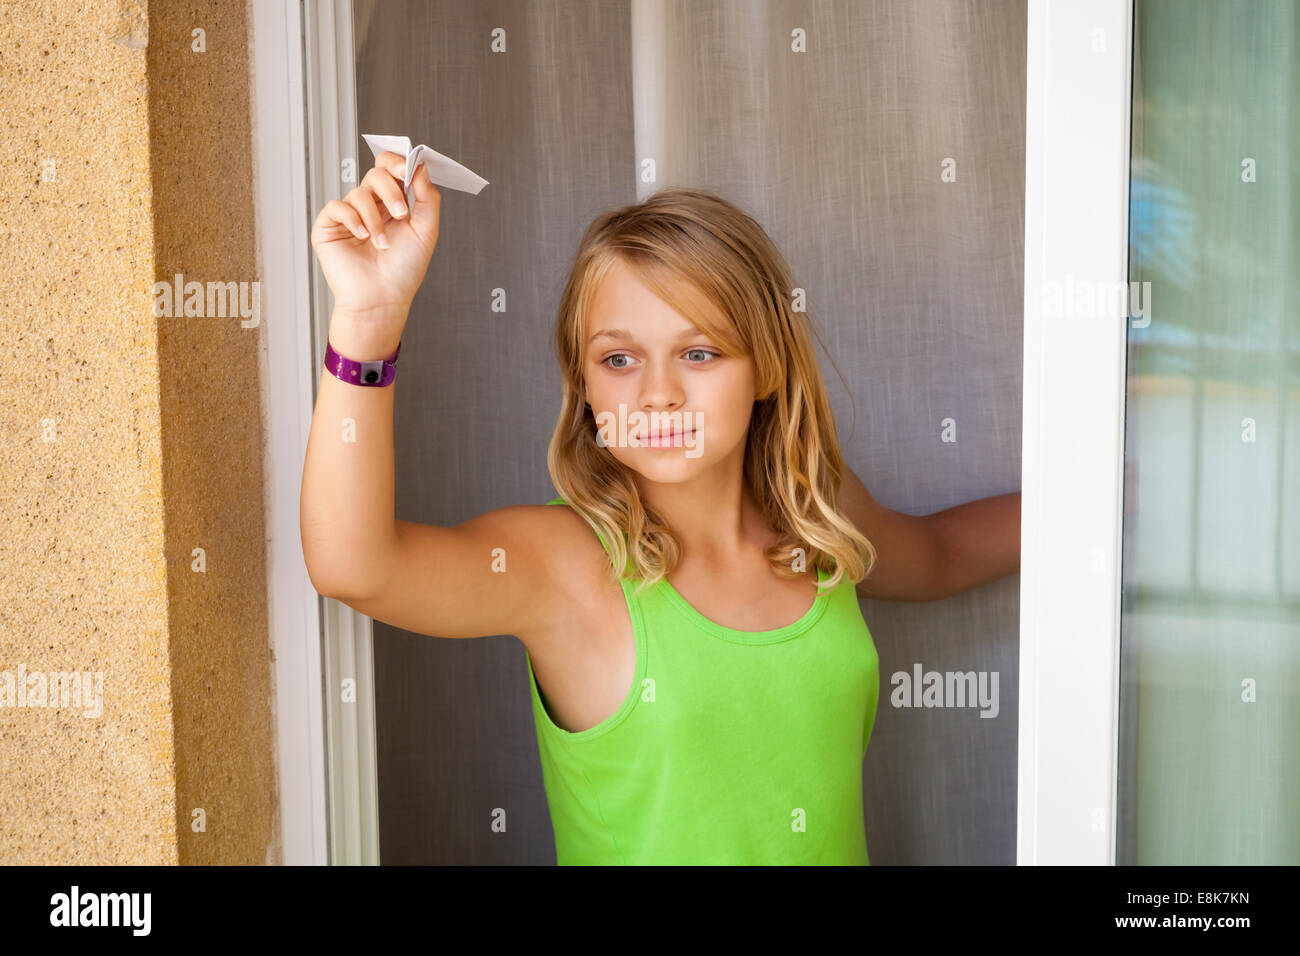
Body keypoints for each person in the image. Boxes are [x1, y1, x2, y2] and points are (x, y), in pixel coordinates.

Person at [301, 151, 1020, 865]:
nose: (658, 394)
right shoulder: (564, 565)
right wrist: (368, 318)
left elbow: (942, 555)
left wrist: (1111, 504)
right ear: (583, 383)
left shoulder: (813, 512)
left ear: (767, 364)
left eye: (699, 353)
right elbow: (352, 565)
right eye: (619, 359)